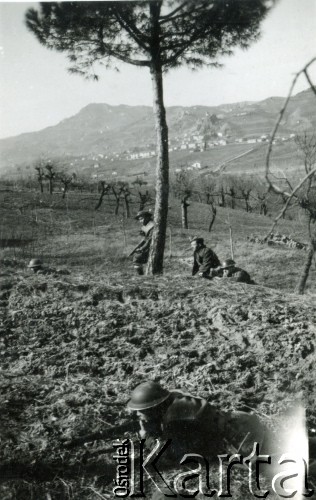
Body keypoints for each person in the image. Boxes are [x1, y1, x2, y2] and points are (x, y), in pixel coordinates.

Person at [127, 380, 265, 461]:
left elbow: (173, 454)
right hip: (241, 419)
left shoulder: (175, 420)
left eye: (143, 410)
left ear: (156, 408)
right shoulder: (174, 397)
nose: (138, 414)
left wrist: (148, 438)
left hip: (242, 439)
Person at [130, 210, 154, 275]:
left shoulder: (152, 226)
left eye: (142, 219)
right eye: (139, 219)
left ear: (147, 217)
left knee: (137, 258)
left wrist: (142, 248)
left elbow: (150, 240)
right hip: (147, 246)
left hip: (152, 246)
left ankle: (141, 276)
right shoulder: (145, 227)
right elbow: (143, 239)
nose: (141, 221)